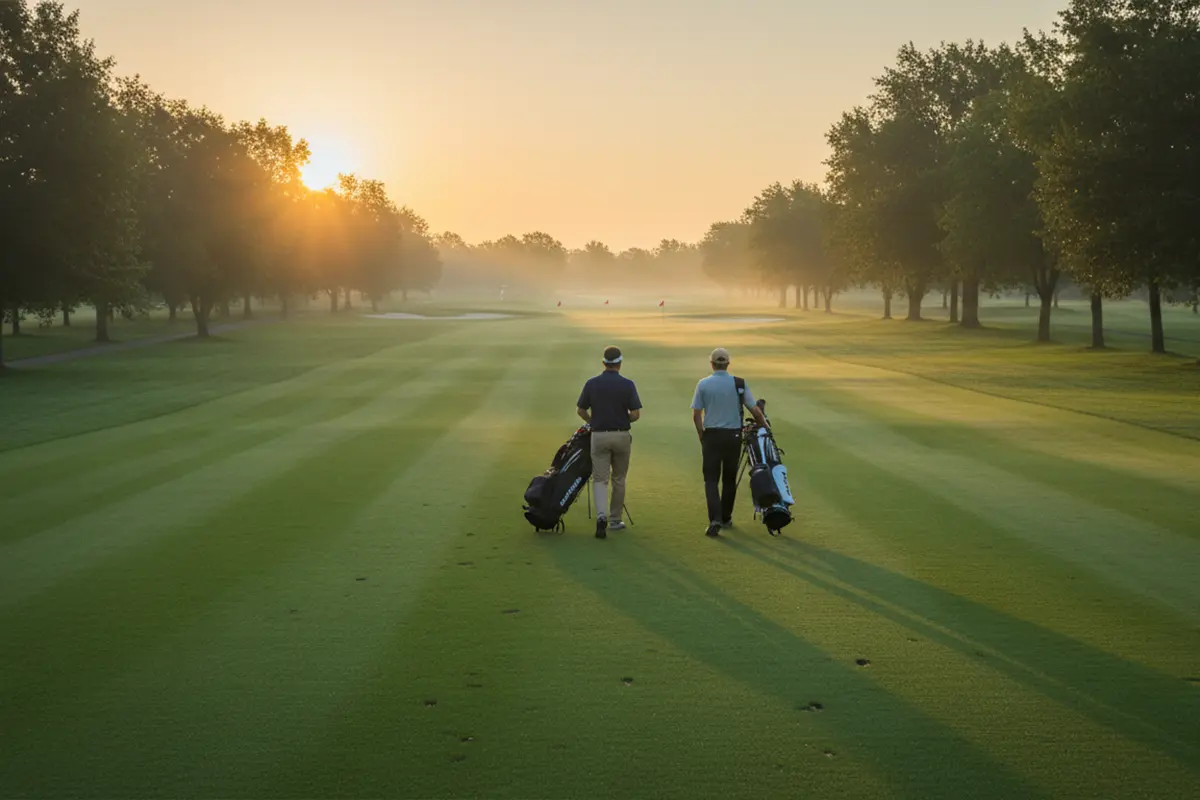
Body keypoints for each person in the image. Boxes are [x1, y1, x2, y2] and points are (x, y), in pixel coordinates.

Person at [691, 347, 766, 538]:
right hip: (733, 436)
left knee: (711, 480)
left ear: (712, 363)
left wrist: (701, 435)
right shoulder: (739, 383)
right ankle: (725, 517)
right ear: (728, 364)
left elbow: (696, 414)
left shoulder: (703, 384)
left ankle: (714, 519)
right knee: (729, 479)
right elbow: (754, 410)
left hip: (712, 436)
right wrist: (764, 426)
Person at [577, 346, 642, 539]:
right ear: (619, 364)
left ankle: (601, 517)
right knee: (619, 478)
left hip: (599, 436)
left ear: (604, 363)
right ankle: (615, 519)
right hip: (621, 435)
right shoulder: (628, 384)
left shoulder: (592, 383)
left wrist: (593, 421)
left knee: (600, 479)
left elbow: (581, 410)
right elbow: (636, 414)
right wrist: (623, 419)